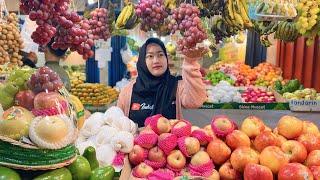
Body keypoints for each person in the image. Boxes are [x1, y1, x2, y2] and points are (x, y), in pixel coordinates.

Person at [117, 38, 207, 127]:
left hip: (169, 141)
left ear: (166, 58)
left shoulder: (176, 86)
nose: (156, 61)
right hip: (136, 141)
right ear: (142, 62)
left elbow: (196, 102)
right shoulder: (128, 91)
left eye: (160, 55)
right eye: (150, 56)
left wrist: (190, 62)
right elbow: (118, 124)